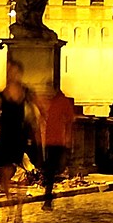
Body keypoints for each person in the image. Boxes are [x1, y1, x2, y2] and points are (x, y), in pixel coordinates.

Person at [0, 60, 36, 196]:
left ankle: (3, 187)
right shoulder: (2, 94)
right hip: (6, 133)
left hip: (19, 133)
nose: (11, 74)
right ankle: (4, 191)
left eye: (14, 71)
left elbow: (34, 108)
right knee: (7, 161)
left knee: (13, 161)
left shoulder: (25, 91)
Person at [36, 80, 76, 208]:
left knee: (51, 169)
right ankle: (49, 197)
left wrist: (68, 138)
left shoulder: (61, 101)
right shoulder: (52, 101)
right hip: (48, 140)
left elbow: (70, 119)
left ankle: (48, 198)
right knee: (49, 169)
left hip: (57, 140)